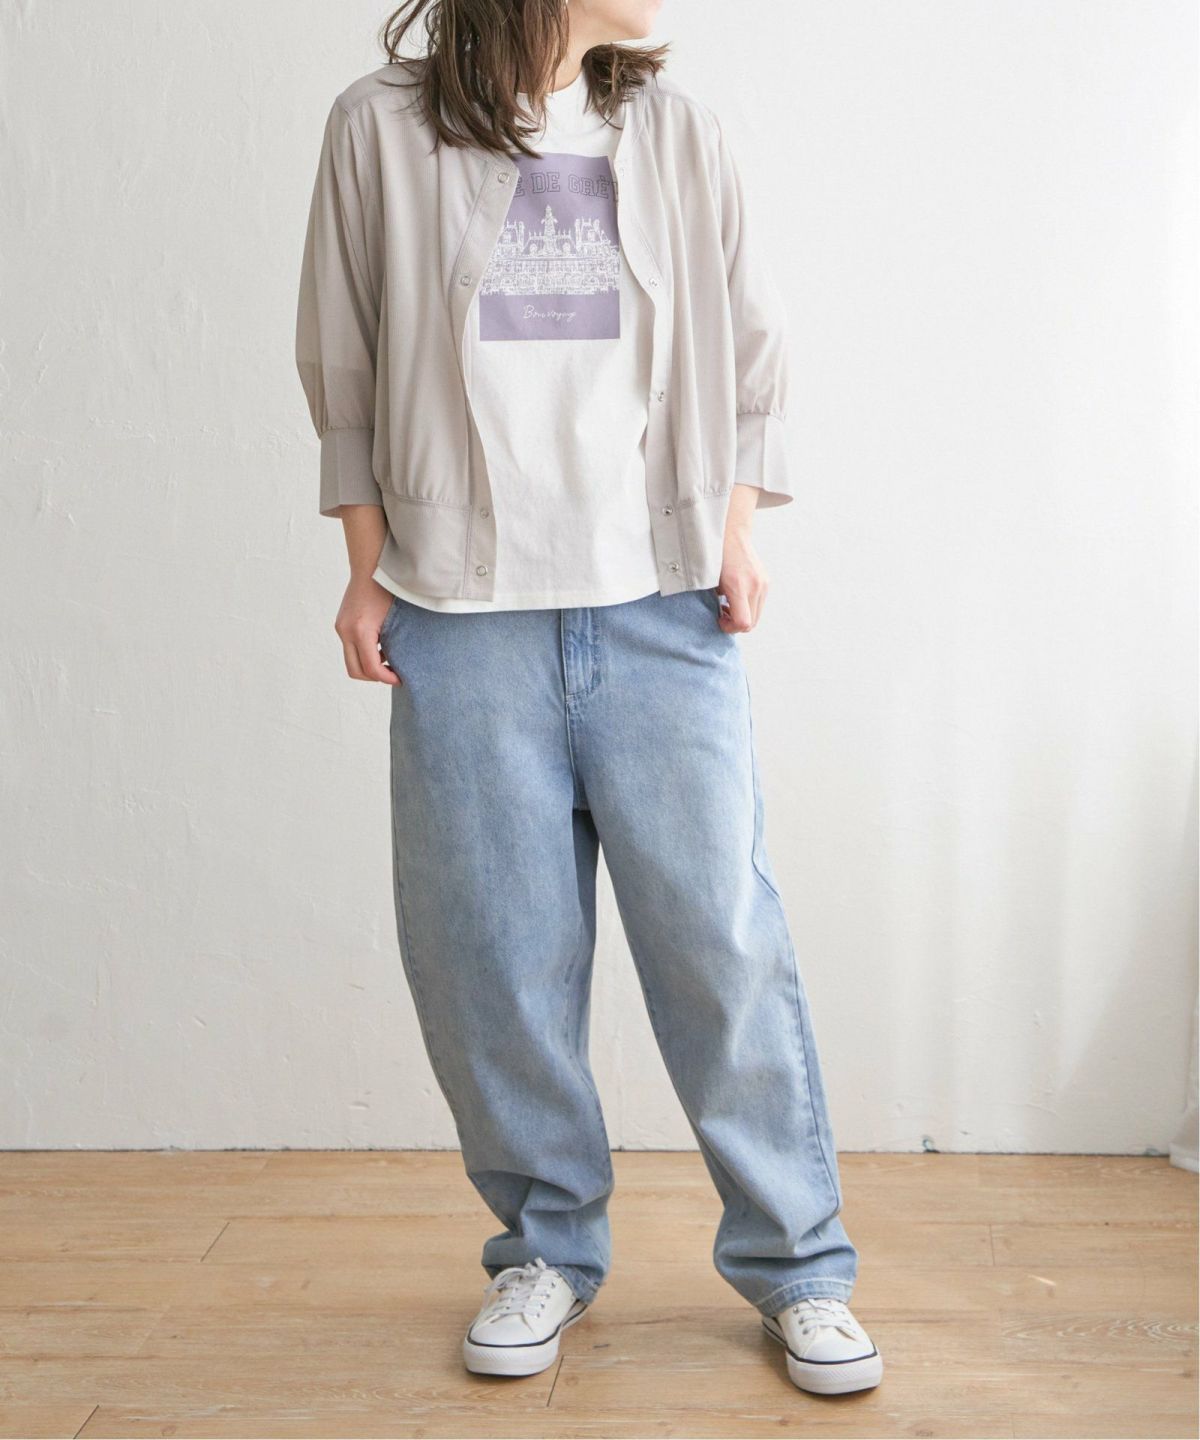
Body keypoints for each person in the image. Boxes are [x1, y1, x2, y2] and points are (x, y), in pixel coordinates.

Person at [296, 0, 882, 1397]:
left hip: (661, 601)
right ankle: (544, 1248)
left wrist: (733, 535)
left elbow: (752, 357)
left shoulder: (678, 134)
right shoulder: (378, 128)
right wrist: (365, 571)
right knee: (492, 957)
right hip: (461, 614)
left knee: (720, 946)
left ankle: (799, 1267)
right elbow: (345, 362)